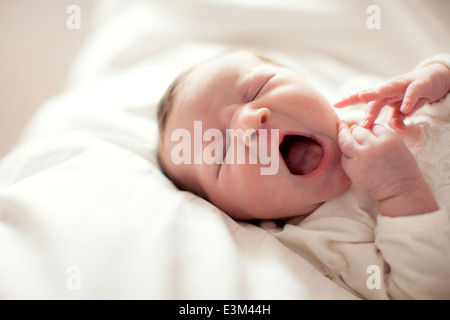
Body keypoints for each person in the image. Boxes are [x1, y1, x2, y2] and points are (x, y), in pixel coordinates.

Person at [157, 51, 450, 299]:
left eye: (257, 89)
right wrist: (400, 191)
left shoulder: (369, 99)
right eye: (220, 152)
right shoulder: (324, 240)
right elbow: (422, 290)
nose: (250, 122)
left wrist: (439, 79)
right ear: (235, 214)